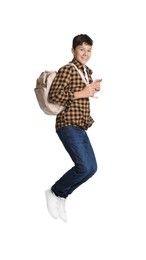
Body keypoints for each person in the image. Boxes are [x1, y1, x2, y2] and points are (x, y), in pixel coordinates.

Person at [45, 34, 102, 222]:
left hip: (81, 125)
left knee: (91, 168)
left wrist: (91, 89)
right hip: (67, 124)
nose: (85, 53)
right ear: (73, 50)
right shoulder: (68, 70)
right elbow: (54, 95)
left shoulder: (86, 72)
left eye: (88, 50)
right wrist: (82, 92)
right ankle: (54, 192)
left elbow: (81, 94)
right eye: (81, 49)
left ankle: (61, 196)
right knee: (83, 166)